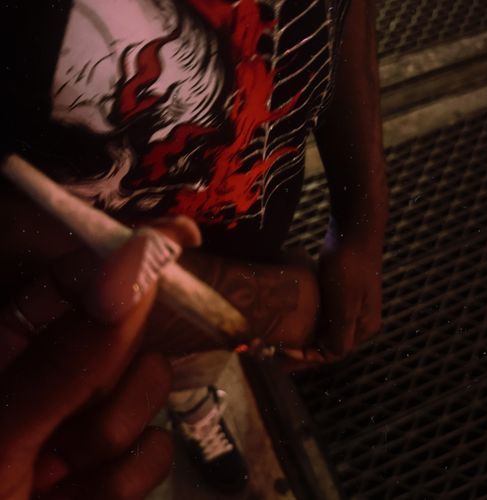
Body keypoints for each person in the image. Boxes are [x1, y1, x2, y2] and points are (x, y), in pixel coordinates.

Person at [3, 0, 387, 496]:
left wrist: (362, 221)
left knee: (184, 373)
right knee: (83, 413)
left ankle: (192, 399)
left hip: (239, 270)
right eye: (144, 95)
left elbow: (338, 14)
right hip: (51, 326)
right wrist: (274, 305)